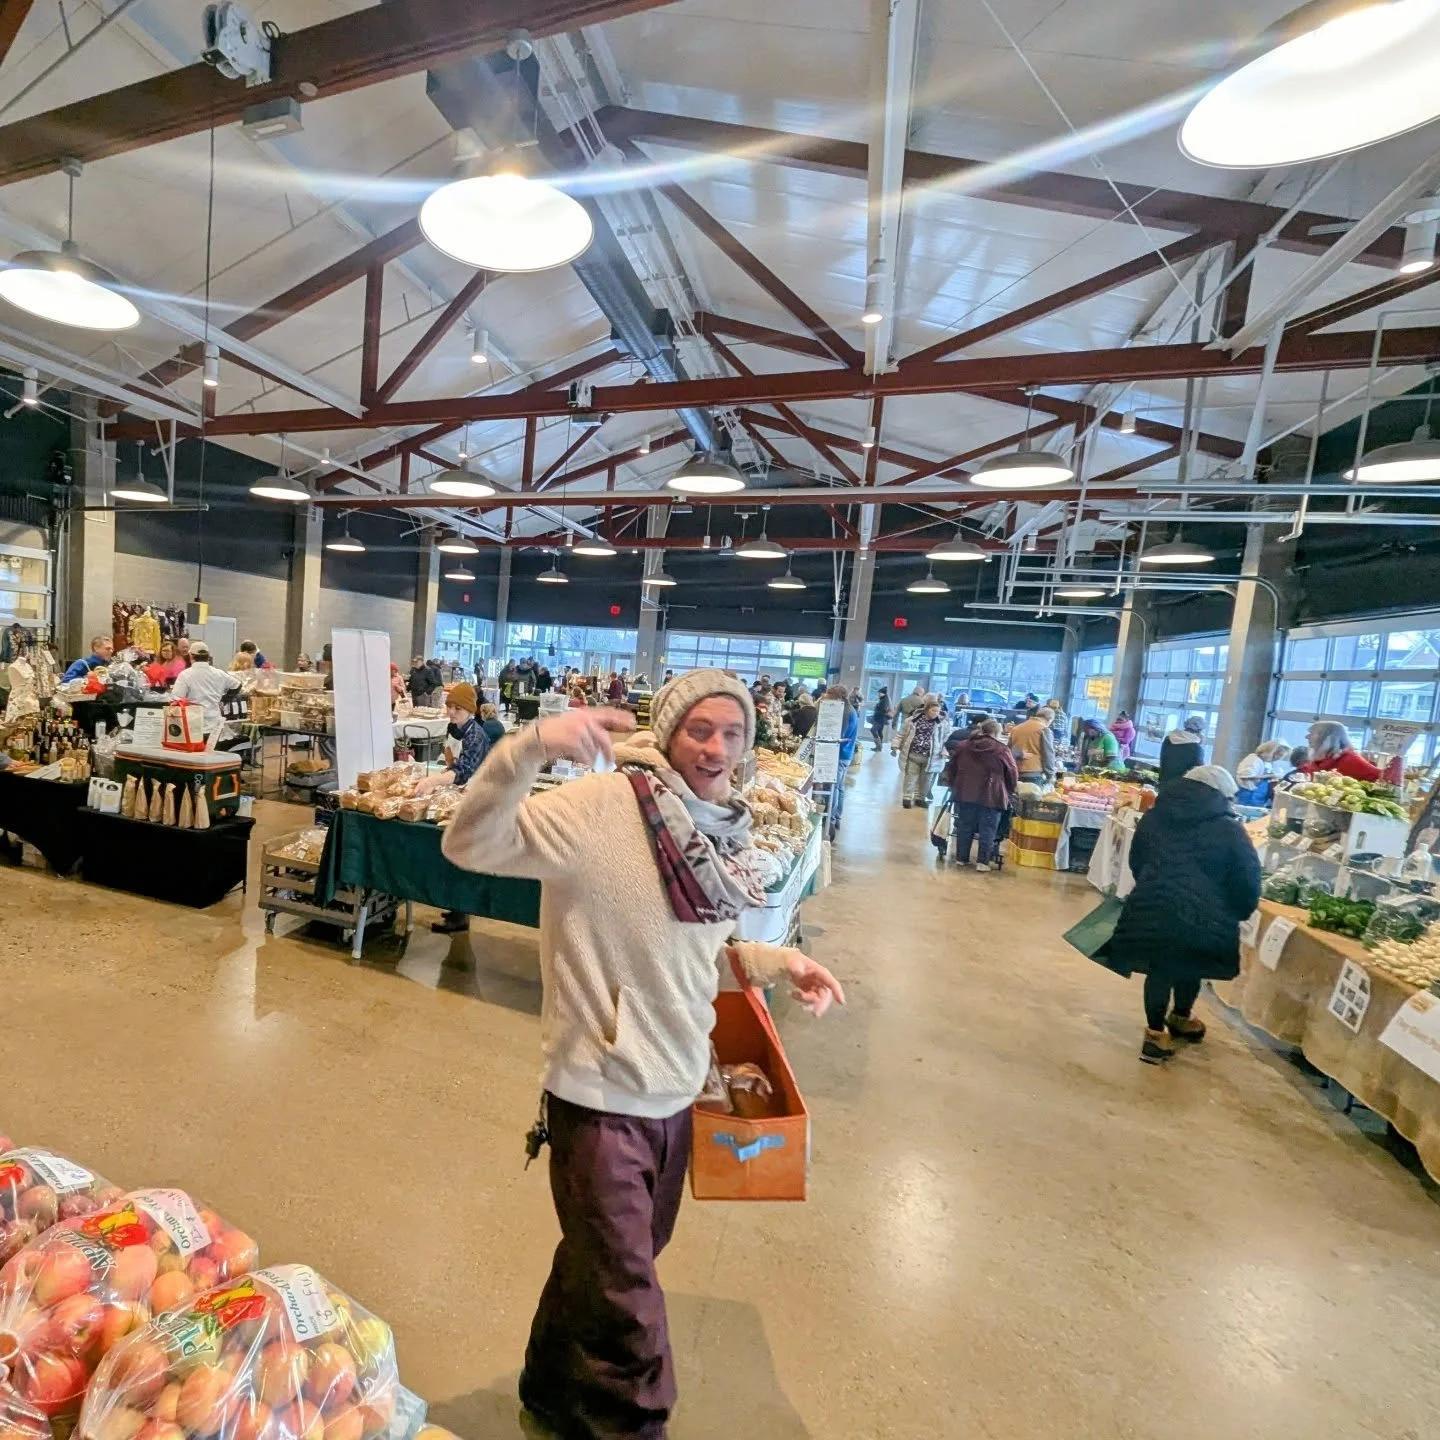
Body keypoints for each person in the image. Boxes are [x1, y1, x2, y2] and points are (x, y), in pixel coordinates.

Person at [440, 673, 843, 1438]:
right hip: (597, 1096)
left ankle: (550, 1390)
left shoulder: (719, 830)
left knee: (606, 1261)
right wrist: (526, 747)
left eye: (732, 732)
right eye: (699, 729)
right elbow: (468, 842)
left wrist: (775, 964)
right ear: (666, 734)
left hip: (673, 1094)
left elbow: (694, 957)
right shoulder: (600, 809)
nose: (716, 747)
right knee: (629, 1304)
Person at [1105, 765, 1262, 1065]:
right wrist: (1240, 908)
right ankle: (1180, 1016)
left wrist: (1152, 884)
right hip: (1206, 913)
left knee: (1160, 970)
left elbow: (1137, 858)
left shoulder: (1154, 816)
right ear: (1219, 795)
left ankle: (1156, 1031)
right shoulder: (1228, 828)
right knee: (1192, 964)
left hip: (1153, 902)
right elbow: (1246, 875)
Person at [416, 683, 491, 933]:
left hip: (477, 799)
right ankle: (458, 908)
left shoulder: (474, 734)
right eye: (449, 706)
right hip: (465, 795)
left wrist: (434, 781)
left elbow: (465, 771)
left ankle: (461, 913)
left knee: (462, 856)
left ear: (469, 710)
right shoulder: (460, 730)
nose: (451, 712)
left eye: (457, 708)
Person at [940, 718, 1018, 871]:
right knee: (988, 829)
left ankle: (961, 858)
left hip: (965, 791)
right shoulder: (1002, 750)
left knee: (964, 825)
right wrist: (1010, 789)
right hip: (992, 794)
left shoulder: (963, 746)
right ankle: (983, 862)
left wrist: (954, 784)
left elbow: (952, 767)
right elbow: (1012, 772)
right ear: (996, 732)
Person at [170, 642, 242, 734]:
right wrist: (224, 700)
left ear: (191, 655)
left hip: (194, 723)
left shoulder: (185, 675)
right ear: (208, 656)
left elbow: (176, 699)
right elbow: (237, 685)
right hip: (215, 723)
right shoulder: (219, 673)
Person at [896, 694, 946, 809]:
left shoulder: (942, 724)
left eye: (938, 711)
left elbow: (946, 739)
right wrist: (896, 745)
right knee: (911, 777)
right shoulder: (912, 720)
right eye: (933, 711)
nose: (936, 713)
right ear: (927, 709)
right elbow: (902, 733)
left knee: (926, 779)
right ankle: (907, 798)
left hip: (931, 756)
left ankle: (920, 798)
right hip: (914, 753)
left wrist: (945, 750)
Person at [823, 683, 861, 833]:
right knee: (839, 786)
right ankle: (837, 817)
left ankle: (831, 819)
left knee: (833, 787)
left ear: (837, 697)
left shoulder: (844, 712)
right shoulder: (850, 710)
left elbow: (839, 734)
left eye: (830, 696)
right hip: (846, 754)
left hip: (839, 754)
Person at [1301, 720, 1382, 782]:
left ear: (1327, 737)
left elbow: (1379, 777)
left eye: (1311, 733)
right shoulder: (1321, 758)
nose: (1307, 737)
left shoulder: (1350, 759)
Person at [1010, 705, 1057, 785]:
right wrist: (1050, 774)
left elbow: (1008, 750)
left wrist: (1019, 753)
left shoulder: (1016, 729)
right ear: (1050, 720)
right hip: (1034, 772)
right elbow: (1048, 753)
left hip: (1015, 770)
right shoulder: (1044, 729)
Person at [1236, 739, 1291, 806]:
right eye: (1278, 755)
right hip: (1249, 795)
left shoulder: (1266, 763)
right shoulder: (1253, 759)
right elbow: (1245, 776)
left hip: (1260, 797)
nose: (1278, 758)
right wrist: (1270, 776)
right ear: (1270, 751)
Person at [1159, 715, 1207, 785]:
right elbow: (1198, 773)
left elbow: (1163, 761)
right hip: (1182, 788)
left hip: (1164, 782)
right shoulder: (1196, 749)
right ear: (1200, 731)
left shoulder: (1168, 739)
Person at [892, 682, 927, 751]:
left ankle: (899, 748)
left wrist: (894, 722)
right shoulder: (922, 701)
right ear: (920, 693)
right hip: (916, 722)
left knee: (902, 736)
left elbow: (896, 713)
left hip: (904, 720)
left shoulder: (904, 699)